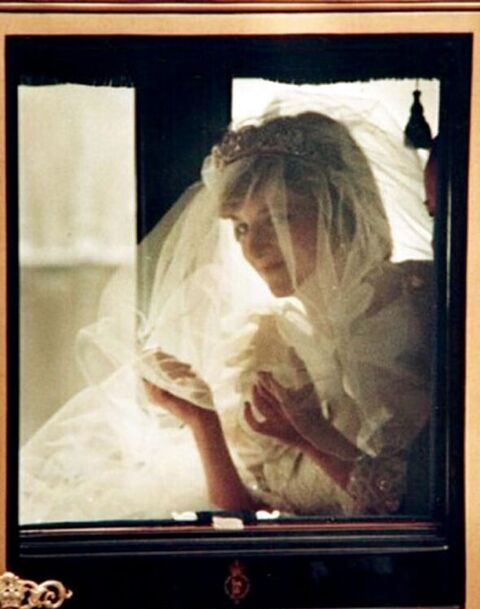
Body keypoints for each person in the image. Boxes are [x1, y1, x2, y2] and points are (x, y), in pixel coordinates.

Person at [20, 98, 433, 522]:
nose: (253, 247)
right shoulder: (277, 342)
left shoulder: (394, 310)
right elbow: (256, 508)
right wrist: (202, 419)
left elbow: (414, 504)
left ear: (340, 210)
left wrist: (313, 436)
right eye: (241, 227)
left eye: (280, 217)